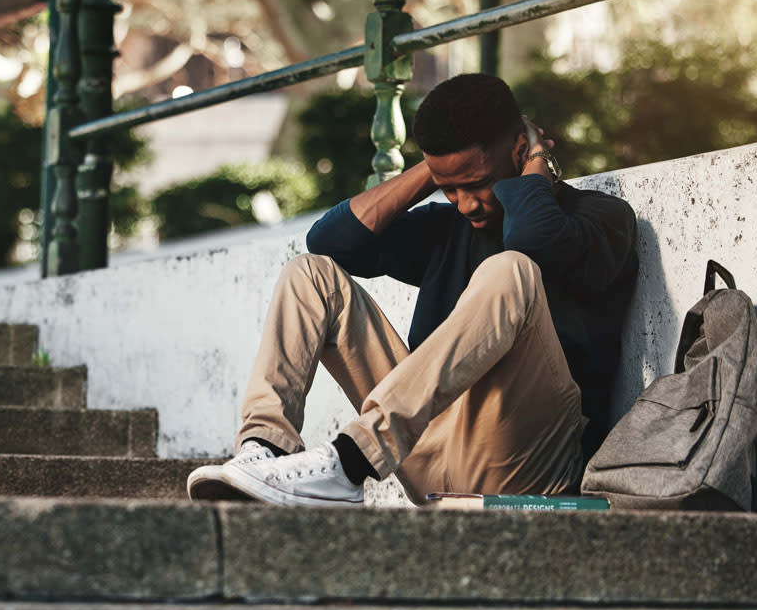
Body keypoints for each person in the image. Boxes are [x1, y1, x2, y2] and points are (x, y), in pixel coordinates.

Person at [186, 73, 638, 507]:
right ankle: (266, 447)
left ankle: (349, 460)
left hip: (531, 463)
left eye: (477, 184)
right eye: (450, 189)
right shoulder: (449, 229)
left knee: (512, 269)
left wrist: (537, 161)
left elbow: (533, 241)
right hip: (423, 450)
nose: (465, 204)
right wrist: (436, 168)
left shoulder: (601, 219)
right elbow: (331, 241)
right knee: (311, 273)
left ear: (520, 150)